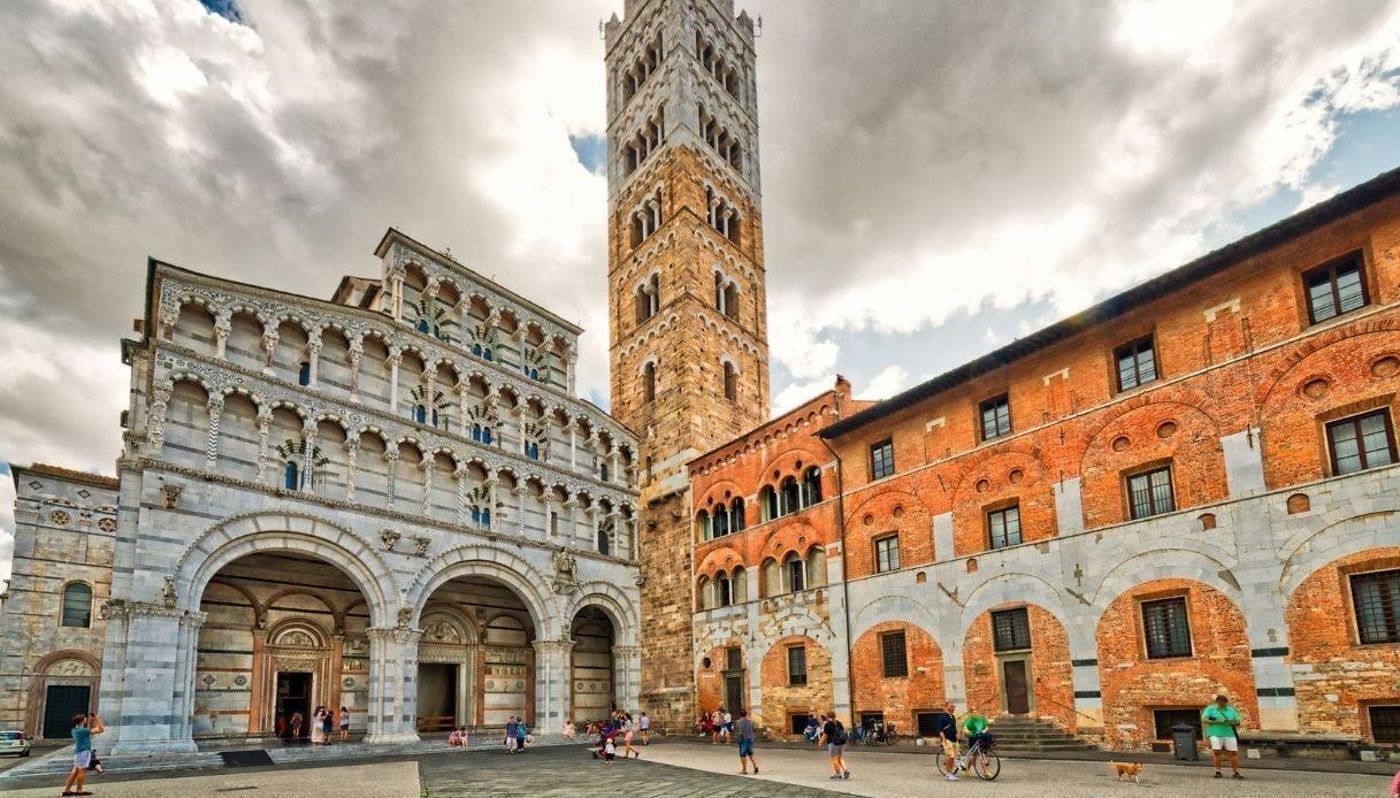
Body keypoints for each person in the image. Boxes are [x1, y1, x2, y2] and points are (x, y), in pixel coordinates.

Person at [1203, 694, 1244, 780]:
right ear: (1216, 702)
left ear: (1226, 702)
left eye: (1223, 702)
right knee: (1217, 752)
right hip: (1215, 733)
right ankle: (1218, 771)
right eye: (1219, 702)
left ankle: (1235, 772)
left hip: (1229, 733)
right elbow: (1204, 719)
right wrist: (1217, 721)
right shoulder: (1210, 709)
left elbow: (1238, 722)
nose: (1221, 704)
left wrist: (1229, 722)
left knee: (1233, 752)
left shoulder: (1231, 710)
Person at [63, 712, 102, 797]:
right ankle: (79, 790)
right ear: (82, 721)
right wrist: (97, 719)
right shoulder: (83, 731)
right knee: (82, 771)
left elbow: (89, 730)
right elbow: (101, 729)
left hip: (78, 753)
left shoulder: (74, 730)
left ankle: (67, 790)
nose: (86, 719)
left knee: (75, 772)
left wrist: (92, 721)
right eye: (85, 718)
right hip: (83, 753)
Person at [932, 703, 960, 781]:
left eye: (954, 706)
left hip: (954, 739)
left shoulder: (952, 716)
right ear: (946, 707)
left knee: (954, 757)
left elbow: (954, 727)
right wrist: (943, 738)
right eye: (952, 706)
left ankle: (951, 772)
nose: (953, 708)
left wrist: (956, 735)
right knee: (951, 756)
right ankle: (948, 774)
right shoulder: (942, 716)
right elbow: (939, 728)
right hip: (947, 739)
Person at [820, 712, 850, 780]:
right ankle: (845, 770)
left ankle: (838, 774)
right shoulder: (839, 723)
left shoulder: (828, 724)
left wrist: (820, 742)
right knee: (839, 758)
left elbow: (825, 735)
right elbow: (842, 732)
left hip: (833, 743)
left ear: (828, 717)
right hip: (841, 742)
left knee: (834, 759)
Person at [735, 708, 758, 775]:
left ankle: (744, 770)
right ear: (746, 714)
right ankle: (755, 765)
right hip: (750, 739)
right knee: (751, 754)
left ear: (740, 715)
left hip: (743, 739)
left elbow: (736, 729)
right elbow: (755, 727)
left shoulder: (738, 722)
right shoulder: (750, 721)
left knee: (743, 755)